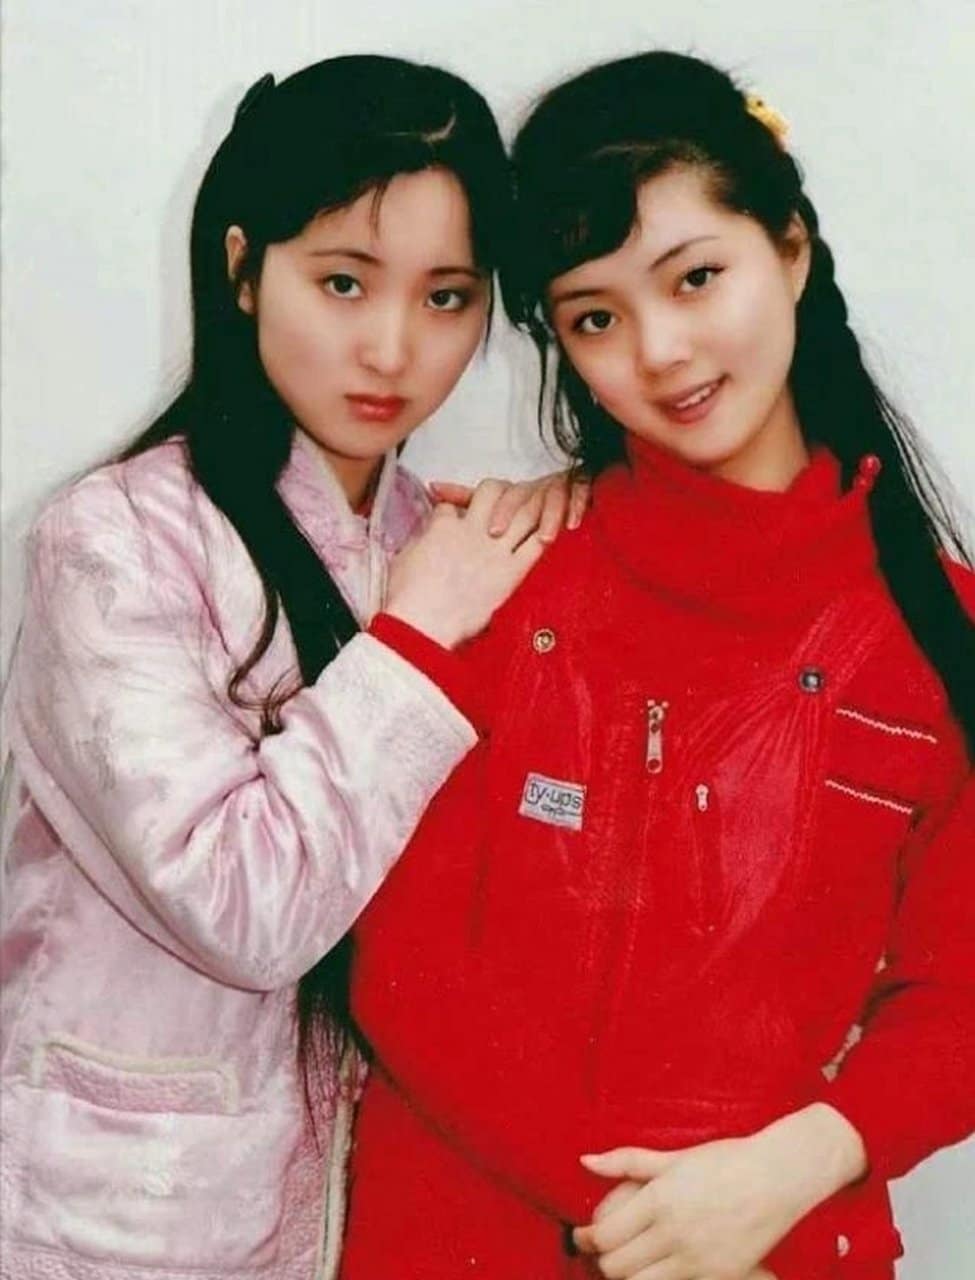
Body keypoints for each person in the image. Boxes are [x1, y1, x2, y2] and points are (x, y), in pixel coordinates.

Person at [339, 51, 975, 1280]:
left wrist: (791, 1170)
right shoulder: (496, 571)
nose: (663, 350)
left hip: (779, 1244)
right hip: (462, 1236)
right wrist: (651, 1223)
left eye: (695, 277)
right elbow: (401, 966)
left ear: (791, 249)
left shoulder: (940, 630)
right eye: (596, 316)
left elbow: (962, 997)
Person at [0, 53, 582, 1280]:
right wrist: (415, 639)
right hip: (125, 1224)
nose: (391, 348)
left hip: (371, 1210)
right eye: (341, 280)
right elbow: (245, 907)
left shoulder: (436, 542)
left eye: (446, 297)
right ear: (240, 267)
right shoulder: (113, 540)